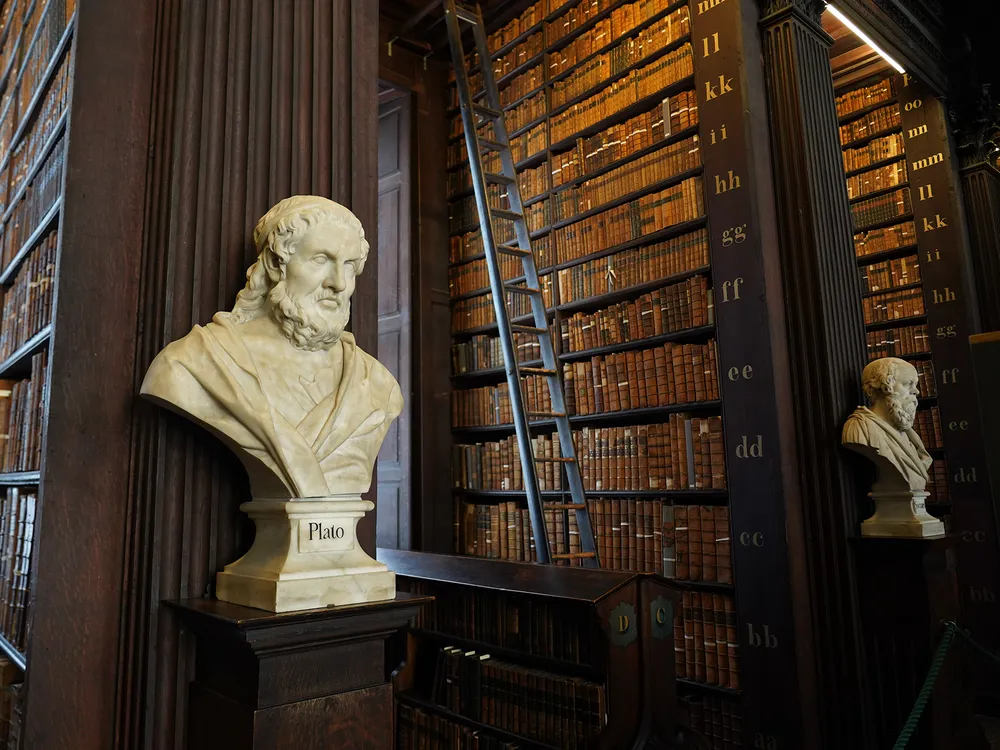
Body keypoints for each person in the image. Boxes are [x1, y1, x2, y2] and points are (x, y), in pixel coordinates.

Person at [141, 196, 402, 499]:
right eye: (321, 260)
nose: (339, 283)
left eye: (349, 266)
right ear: (276, 264)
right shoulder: (193, 363)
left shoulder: (377, 385)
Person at [842, 356, 931, 491]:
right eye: (907, 383)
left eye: (915, 384)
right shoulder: (860, 428)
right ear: (884, 387)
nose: (916, 391)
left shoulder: (908, 435)